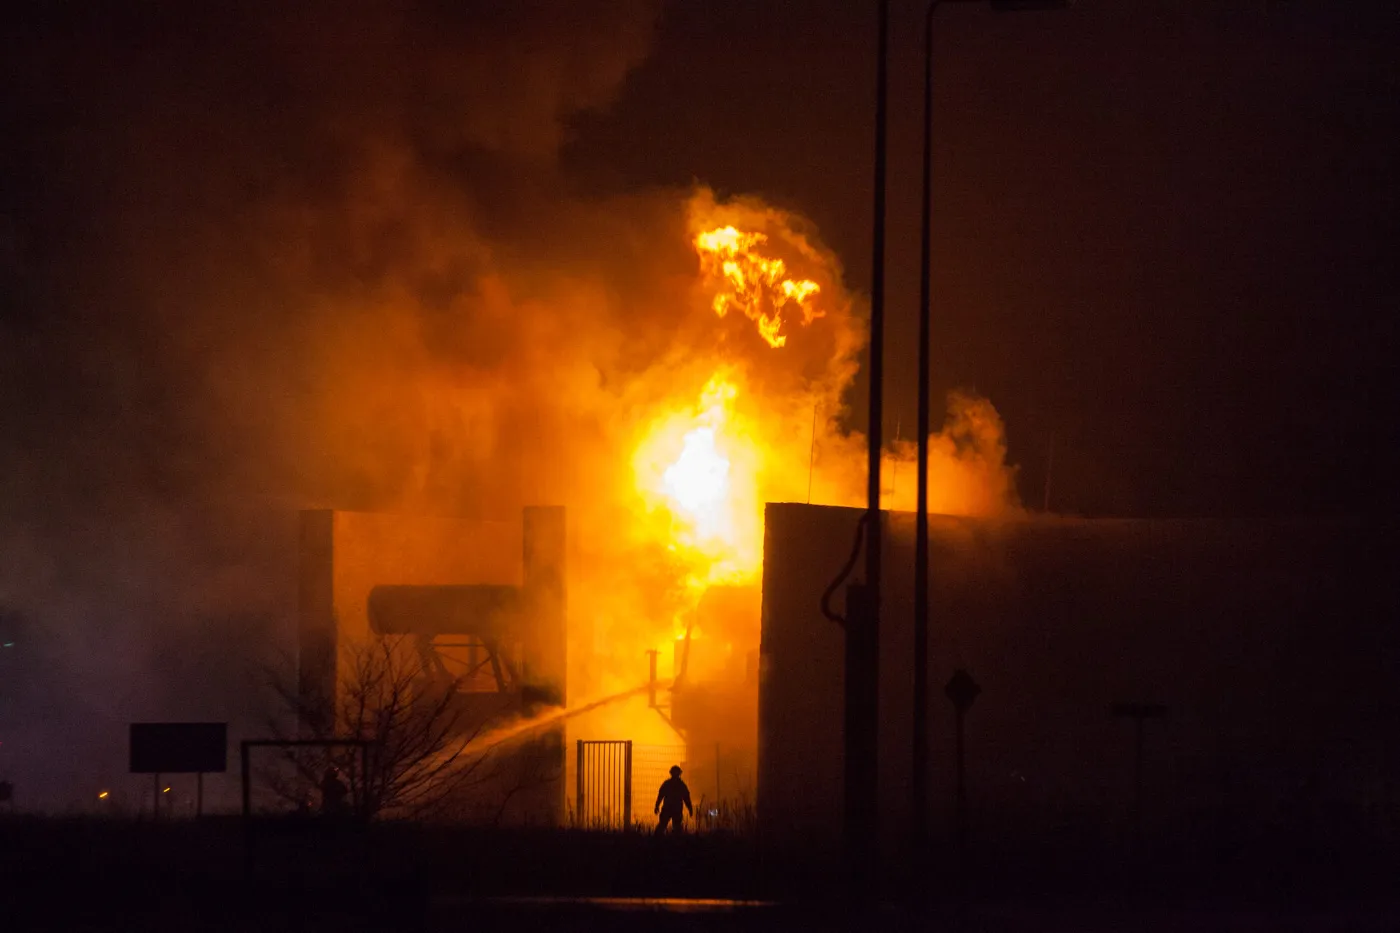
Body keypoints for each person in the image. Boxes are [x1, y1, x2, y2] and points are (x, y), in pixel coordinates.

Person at [654, 765, 692, 835]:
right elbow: (686, 798)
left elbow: (660, 796)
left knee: (664, 826)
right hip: (675, 809)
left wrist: (657, 806)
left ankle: (657, 841)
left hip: (669, 808)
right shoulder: (681, 785)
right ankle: (675, 842)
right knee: (674, 827)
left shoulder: (668, 784)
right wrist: (690, 809)